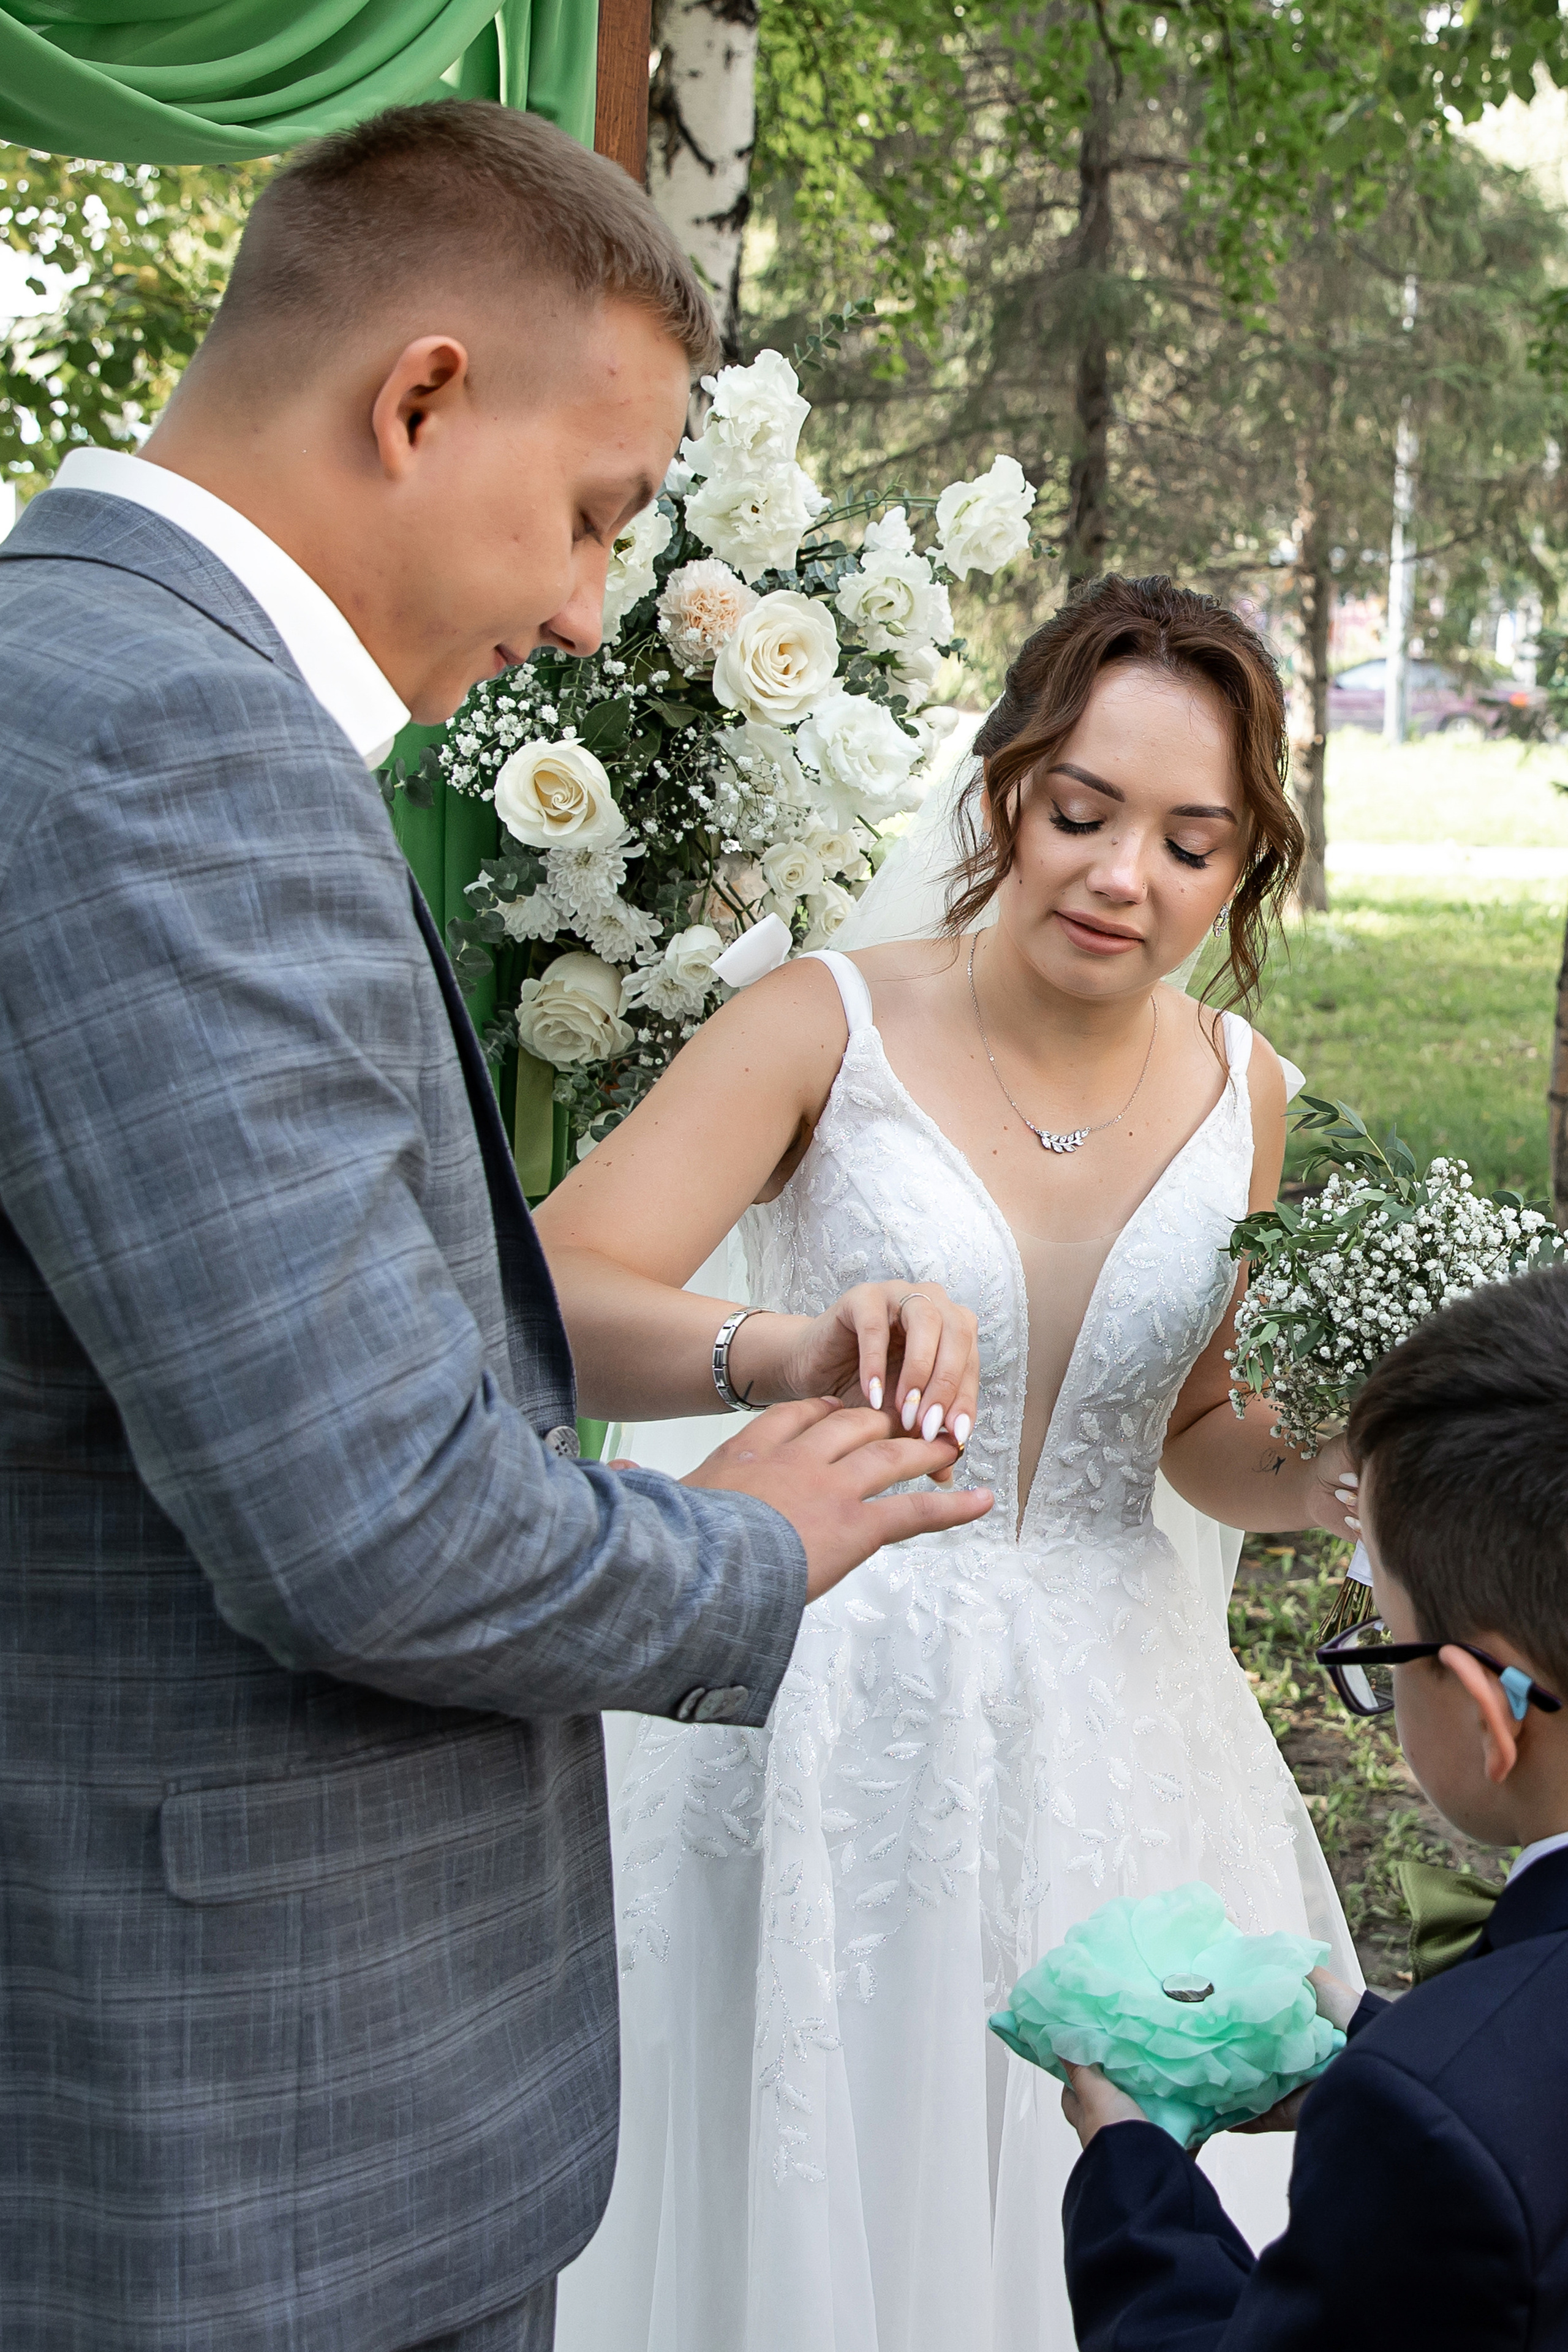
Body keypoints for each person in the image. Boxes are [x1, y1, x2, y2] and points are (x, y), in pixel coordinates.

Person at [0, 103, 993, 2352]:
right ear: (421, 397)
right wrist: (748, 1540)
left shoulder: (77, 672)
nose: (582, 609)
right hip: (263, 2140)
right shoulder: (172, 747)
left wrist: (741, 1353)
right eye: (594, 513)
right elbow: (371, 1525)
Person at [543, 575, 1361, 2352]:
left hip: (1120, 1723)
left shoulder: (1244, 1087)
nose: (1122, 876)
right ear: (1002, 793)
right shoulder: (822, 1025)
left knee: (1102, 2184)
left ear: (1243, 867)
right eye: (1080, 814)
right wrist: (779, 1348)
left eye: (1189, 844)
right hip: (830, 1704)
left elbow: (1193, 1437)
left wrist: (1327, 1473)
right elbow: (551, 1289)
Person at [1058, 1263, 1568, 2351]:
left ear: (1489, 1709)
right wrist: (1379, 2036)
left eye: (1381, 1646)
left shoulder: (1430, 2123)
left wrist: (1133, 2186)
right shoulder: (1446, 2088)